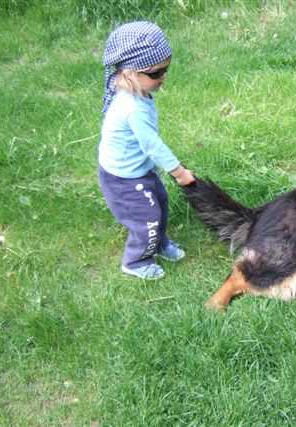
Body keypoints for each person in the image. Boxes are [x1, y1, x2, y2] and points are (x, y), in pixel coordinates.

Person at [98, 21, 195, 280]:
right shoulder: (132, 108)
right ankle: (136, 261)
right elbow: (152, 145)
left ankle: (159, 243)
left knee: (160, 202)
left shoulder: (137, 94)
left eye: (166, 70)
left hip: (138, 170)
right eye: (156, 73)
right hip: (123, 179)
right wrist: (179, 173)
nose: (163, 77)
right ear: (130, 74)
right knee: (146, 217)